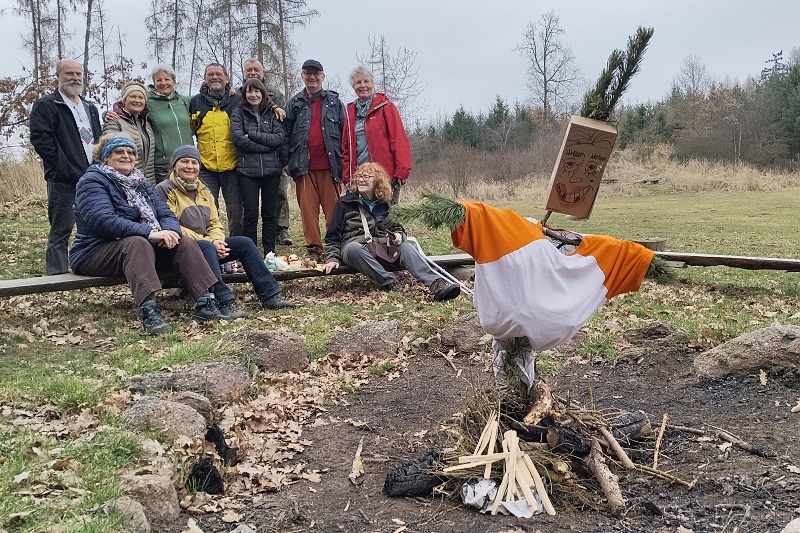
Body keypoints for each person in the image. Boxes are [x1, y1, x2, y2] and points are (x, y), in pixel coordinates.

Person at [69, 134, 226, 335]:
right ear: (106, 156)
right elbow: (103, 221)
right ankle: (149, 311)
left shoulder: (141, 183)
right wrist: (151, 233)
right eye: (119, 152)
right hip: (94, 252)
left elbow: (165, 214)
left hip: (138, 251)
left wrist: (169, 232)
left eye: (130, 152)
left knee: (183, 242)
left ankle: (205, 302)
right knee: (137, 242)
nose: (126, 156)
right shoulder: (92, 181)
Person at [156, 145, 294, 312]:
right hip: (181, 250)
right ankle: (224, 301)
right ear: (175, 165)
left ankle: (270, 294)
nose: (190, 167)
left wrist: (217, 241)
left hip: (208, 245)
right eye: (184, 162)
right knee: (207, 247)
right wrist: (210, 242)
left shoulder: (203, 189)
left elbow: (214, 222)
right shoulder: (164, 189)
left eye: (194, 162)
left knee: (244, 243)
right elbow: (171, 226)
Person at [322, 162, 461, 301]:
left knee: (406, 247)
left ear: (378, 180)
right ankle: (390, 282)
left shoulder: (387, 204)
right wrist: (332, 258)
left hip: (382, 249)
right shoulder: (345, 203)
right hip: (357, 251)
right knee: (353, 248)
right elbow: (332, 236)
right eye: (358, 176)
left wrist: (399, 235)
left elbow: (397, 228)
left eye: (366, 176)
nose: (361, 179)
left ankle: (436, 284)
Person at [29, 58, 102, 275]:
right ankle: (57, 276)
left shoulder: (89, 107)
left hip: (91, 178)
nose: (74, 78)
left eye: (78, 74)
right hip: (63, 179)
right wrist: (61, 166)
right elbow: (41, 139)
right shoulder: (47, 105)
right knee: (61, 229)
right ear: (58, 77)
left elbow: (97, 139)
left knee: (93, 226)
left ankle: (89, 269)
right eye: (69, 74)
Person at [285, 59, 346, 260]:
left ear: (323, 77)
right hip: (303, 168)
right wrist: (287, 163)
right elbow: (285, 134)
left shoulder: (335, 102)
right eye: (307, 73)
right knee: (308, 214)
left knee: (334, 212)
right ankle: (314, 250)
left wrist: (345, 164)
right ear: (302, 76)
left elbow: (345, 134)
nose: (312, 77)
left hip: (331, 167)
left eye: (316, 73)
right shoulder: (294, 103)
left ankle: (333, 248)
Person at [230, 78, 286, 256]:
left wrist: (252, 134)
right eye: (249, 92)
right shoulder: (238, 113)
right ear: (244, 94)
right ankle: (251, 252)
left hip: (272, 171)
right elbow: (238, 139)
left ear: (263, 94)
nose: (253, 95)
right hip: (248, 171)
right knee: (251, 214)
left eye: (257, 92)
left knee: (269, 213)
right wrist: (267, 146)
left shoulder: (273, 113)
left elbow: (279, 138)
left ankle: (270, 252)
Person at [241, 57, 293, 246]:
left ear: (263, 73)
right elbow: (238, 133)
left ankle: (282, 230)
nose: (253, 73)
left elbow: (282, 130)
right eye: (249, 70)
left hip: (274, 159)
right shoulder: (238, 95)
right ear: (244, 73)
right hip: (248, 163)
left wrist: (283, 157)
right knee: (250, 208)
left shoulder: (276, 95)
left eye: (256, 69)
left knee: (279, 196)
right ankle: (248, 241)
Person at [342, 66, 412, 205]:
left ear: (372, 84)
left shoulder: (386, 107)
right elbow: (346, 148)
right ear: (353, 86)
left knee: (386, 219)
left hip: (384, 176)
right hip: (359, 178)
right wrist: (347, 177)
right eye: (358, 82)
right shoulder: (349, 112)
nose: (363, 86)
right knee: (360, 220)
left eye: (366, 81)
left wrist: (402, 171)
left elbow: (399, 140)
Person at [190, 63, 243, 237]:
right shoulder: (195, 101)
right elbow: (190, 129)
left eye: (219, 74)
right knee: (207, 209)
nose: (215, 77)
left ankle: (237, 244)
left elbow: (260, 97)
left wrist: (275, 107)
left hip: (233, 166)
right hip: (206, 166)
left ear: (227, 78)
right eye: (210, 74)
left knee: (235, 209)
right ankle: (210, 243)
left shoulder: (238, 99)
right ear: (205, 78)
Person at [147, 64, 194, 183]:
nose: (163, 83)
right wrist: (107, 113)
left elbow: (206, 99)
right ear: (154, 83)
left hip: (188, 162)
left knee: (191, 200)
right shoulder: (148, 103)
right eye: (159, 80)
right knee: (166, 199)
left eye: (167, 79)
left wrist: (231, 90)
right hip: (163, 165)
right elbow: (124, 105)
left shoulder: (185, 101)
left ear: (174, 82)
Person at [103, 82, 156, 183]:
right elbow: (108, 150)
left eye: (141, 98)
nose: (137, 100)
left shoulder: (146, 124)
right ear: (124, 100)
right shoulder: (114, 121)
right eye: (133, 97)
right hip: (125, 182)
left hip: (148, 182)